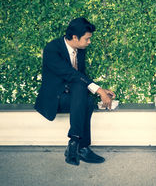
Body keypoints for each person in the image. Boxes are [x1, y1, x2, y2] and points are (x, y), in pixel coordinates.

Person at [35, 17, 115, 166]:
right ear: (74, 37)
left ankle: (76, 144)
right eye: (87, 39)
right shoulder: (52, 49)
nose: (89, 42)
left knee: (87, 100)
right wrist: (98, 90)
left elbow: (81, 77)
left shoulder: (80, 50)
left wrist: (101, 89)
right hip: (55, 99)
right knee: (82, 91)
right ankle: (81, 146)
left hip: (73, 97)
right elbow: (71, 74)